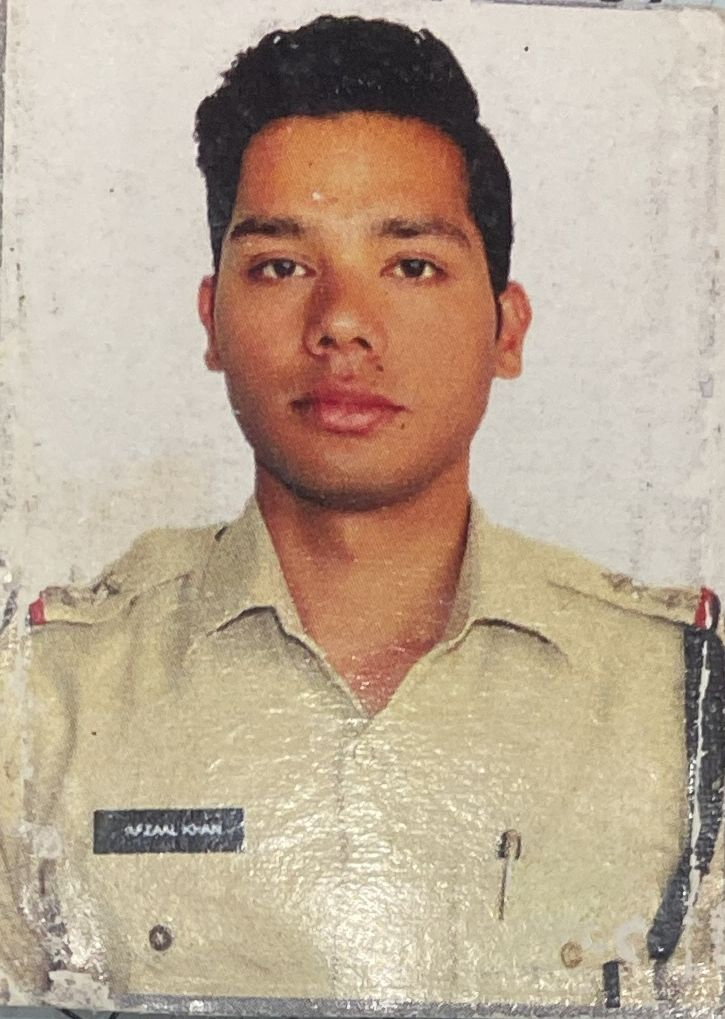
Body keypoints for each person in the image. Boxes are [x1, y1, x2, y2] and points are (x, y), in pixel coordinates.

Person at [1, 13, 723, 1013]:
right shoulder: (45, 699)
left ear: (505, 328)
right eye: (282, 265)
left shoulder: (677, 700)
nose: (341, 321)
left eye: (411, 264)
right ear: (211, 320)